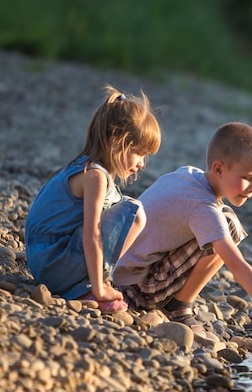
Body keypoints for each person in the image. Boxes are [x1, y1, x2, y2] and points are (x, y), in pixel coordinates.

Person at [113, 122, 252, 346]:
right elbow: (236, 264)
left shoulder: (189, 174)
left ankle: (177, 301)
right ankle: (179, 306)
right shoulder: (203, 208)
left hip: (119, 274)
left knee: (222, 221)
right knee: (227, 225)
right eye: (248, 178)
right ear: (219, 169)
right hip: (136, 290)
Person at [25, 85, 161, 313]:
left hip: (43, 258)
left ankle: (87, 282)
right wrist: (99, 289)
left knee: (122, 205)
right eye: (139, 153)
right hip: (53, 262)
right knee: (134, 212)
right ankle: (88, 287)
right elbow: (92, 233)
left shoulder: (84, 167)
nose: (141, 164)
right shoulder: (95, 176)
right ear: (115, 141)